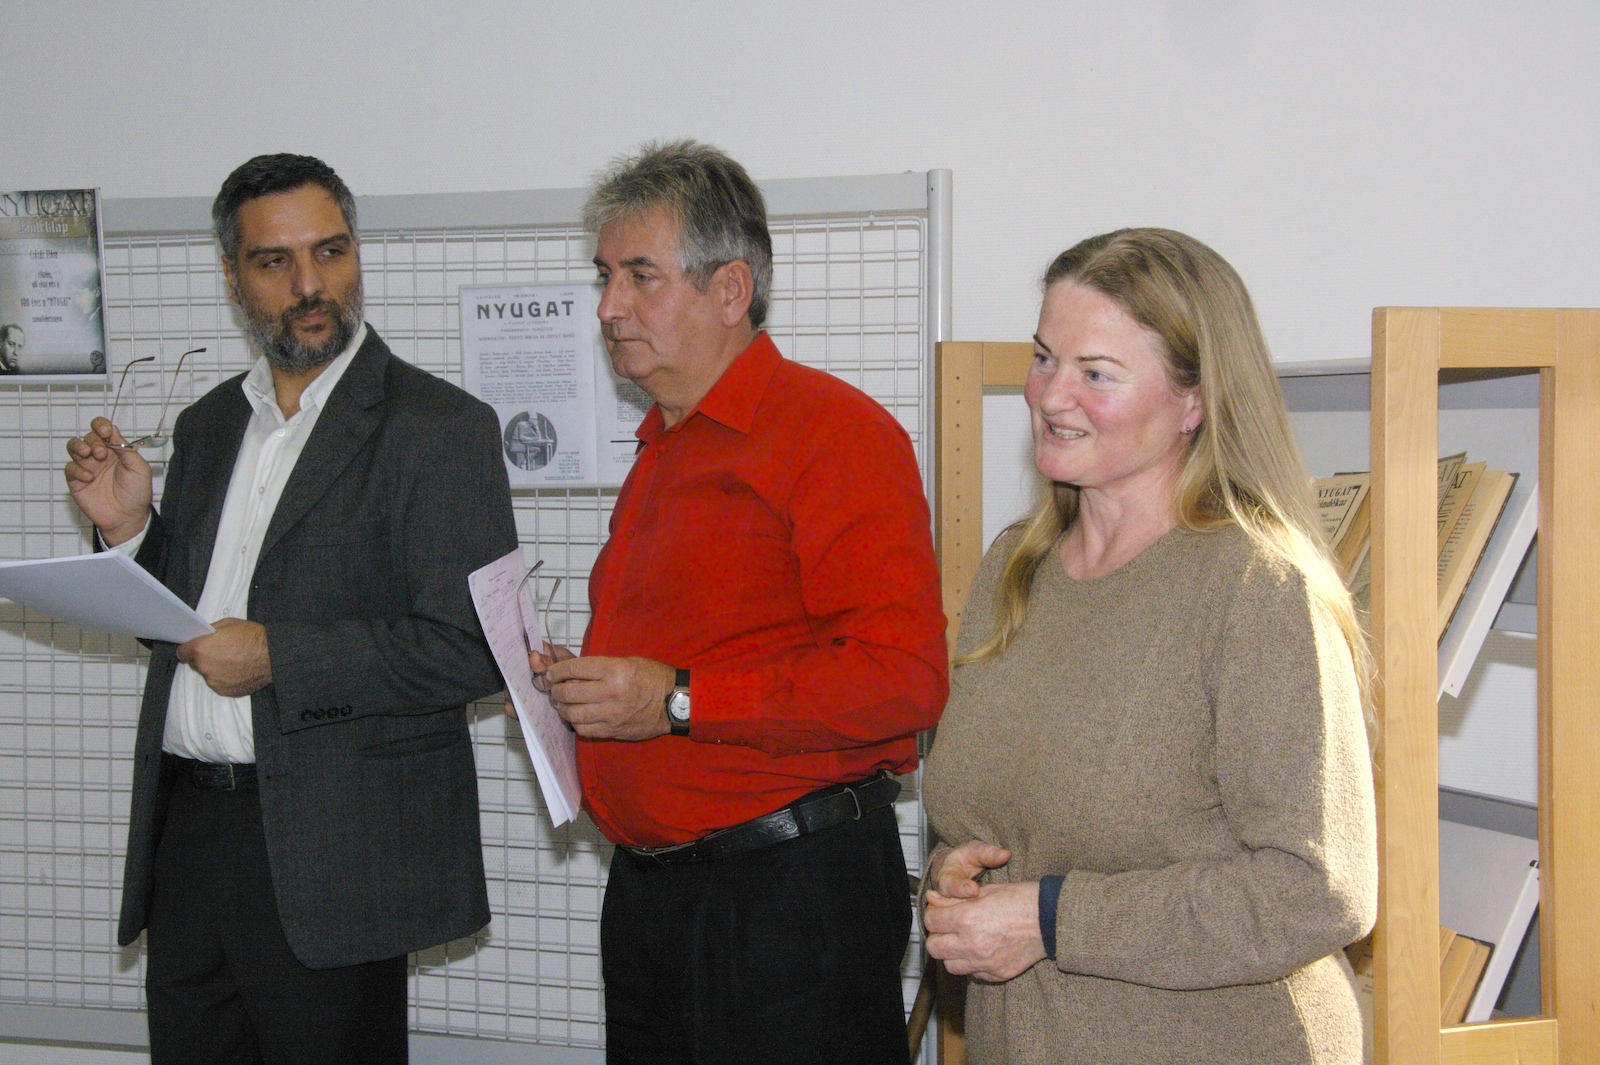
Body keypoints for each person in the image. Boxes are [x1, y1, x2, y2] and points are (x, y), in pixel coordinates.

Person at [63, 154, 517, 1065]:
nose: (311, 285)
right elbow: (186, 625)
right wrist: (130, 531)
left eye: (331, 251)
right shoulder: (207, 426)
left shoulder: (438, 427)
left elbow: (471, 648)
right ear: (233, 276)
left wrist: (279, 656)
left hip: (334, 851)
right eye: (275, 261)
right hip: (189, 836)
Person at [527, 140, 948, 1064]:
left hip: (785, 899)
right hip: (652, 898)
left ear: (730, 290)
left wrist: (677, 700)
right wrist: (587, 688)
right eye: (604, 275)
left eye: (640, 275)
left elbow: (903, 679)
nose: (607, 306)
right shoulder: (662, 448)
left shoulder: (835, 434)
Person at [921, 228, 1378, 1064]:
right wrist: (956, 877)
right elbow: (1001, 814)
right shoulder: (1014, 567)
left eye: (1096, 373)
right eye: (1044, 358)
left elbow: (1319, 888)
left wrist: (1053, 919)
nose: (1051, 395)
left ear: (1193, 402)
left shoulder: (1257, 589)